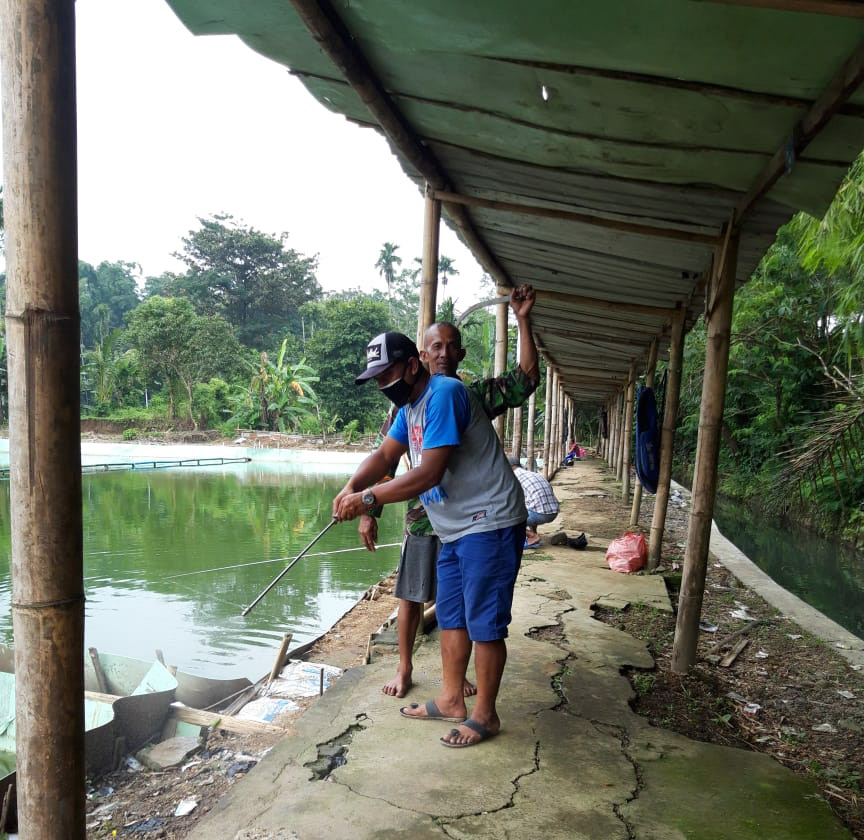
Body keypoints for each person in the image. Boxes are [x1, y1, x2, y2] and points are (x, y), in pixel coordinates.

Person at [333, 331, 527, 747]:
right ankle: (452, 699)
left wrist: (365, 498)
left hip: (488, 522)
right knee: (453, 616)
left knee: (486, 624)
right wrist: (350, 485)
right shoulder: (410, 407)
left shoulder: (444, 394)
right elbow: (386, 457)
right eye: (377, 379)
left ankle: (485, 715)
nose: (384, 385)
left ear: (412, 366)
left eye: (388, 374)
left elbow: (428, 474)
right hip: (453, 527)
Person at [359, 286, 539, 699]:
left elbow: (526, 379)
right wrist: (370, 507)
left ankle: (459, 684)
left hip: (477, 514)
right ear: (421, 356)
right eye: (435, 346)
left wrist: (523, 320)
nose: (443, 352)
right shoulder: (404, 403)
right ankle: (406, 668)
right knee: (413, 590)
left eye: (451, 347)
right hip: (428, 509)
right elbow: (386, 458)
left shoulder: (466, 395)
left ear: (460, 355)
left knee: (470, 605)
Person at [508, 455, 560, 548]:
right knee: (532, 505)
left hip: (540, 514)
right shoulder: (533, 474)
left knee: (507, 519)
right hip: (553, 512)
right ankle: (533, 533)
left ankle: (532, 536)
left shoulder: (513, 478)